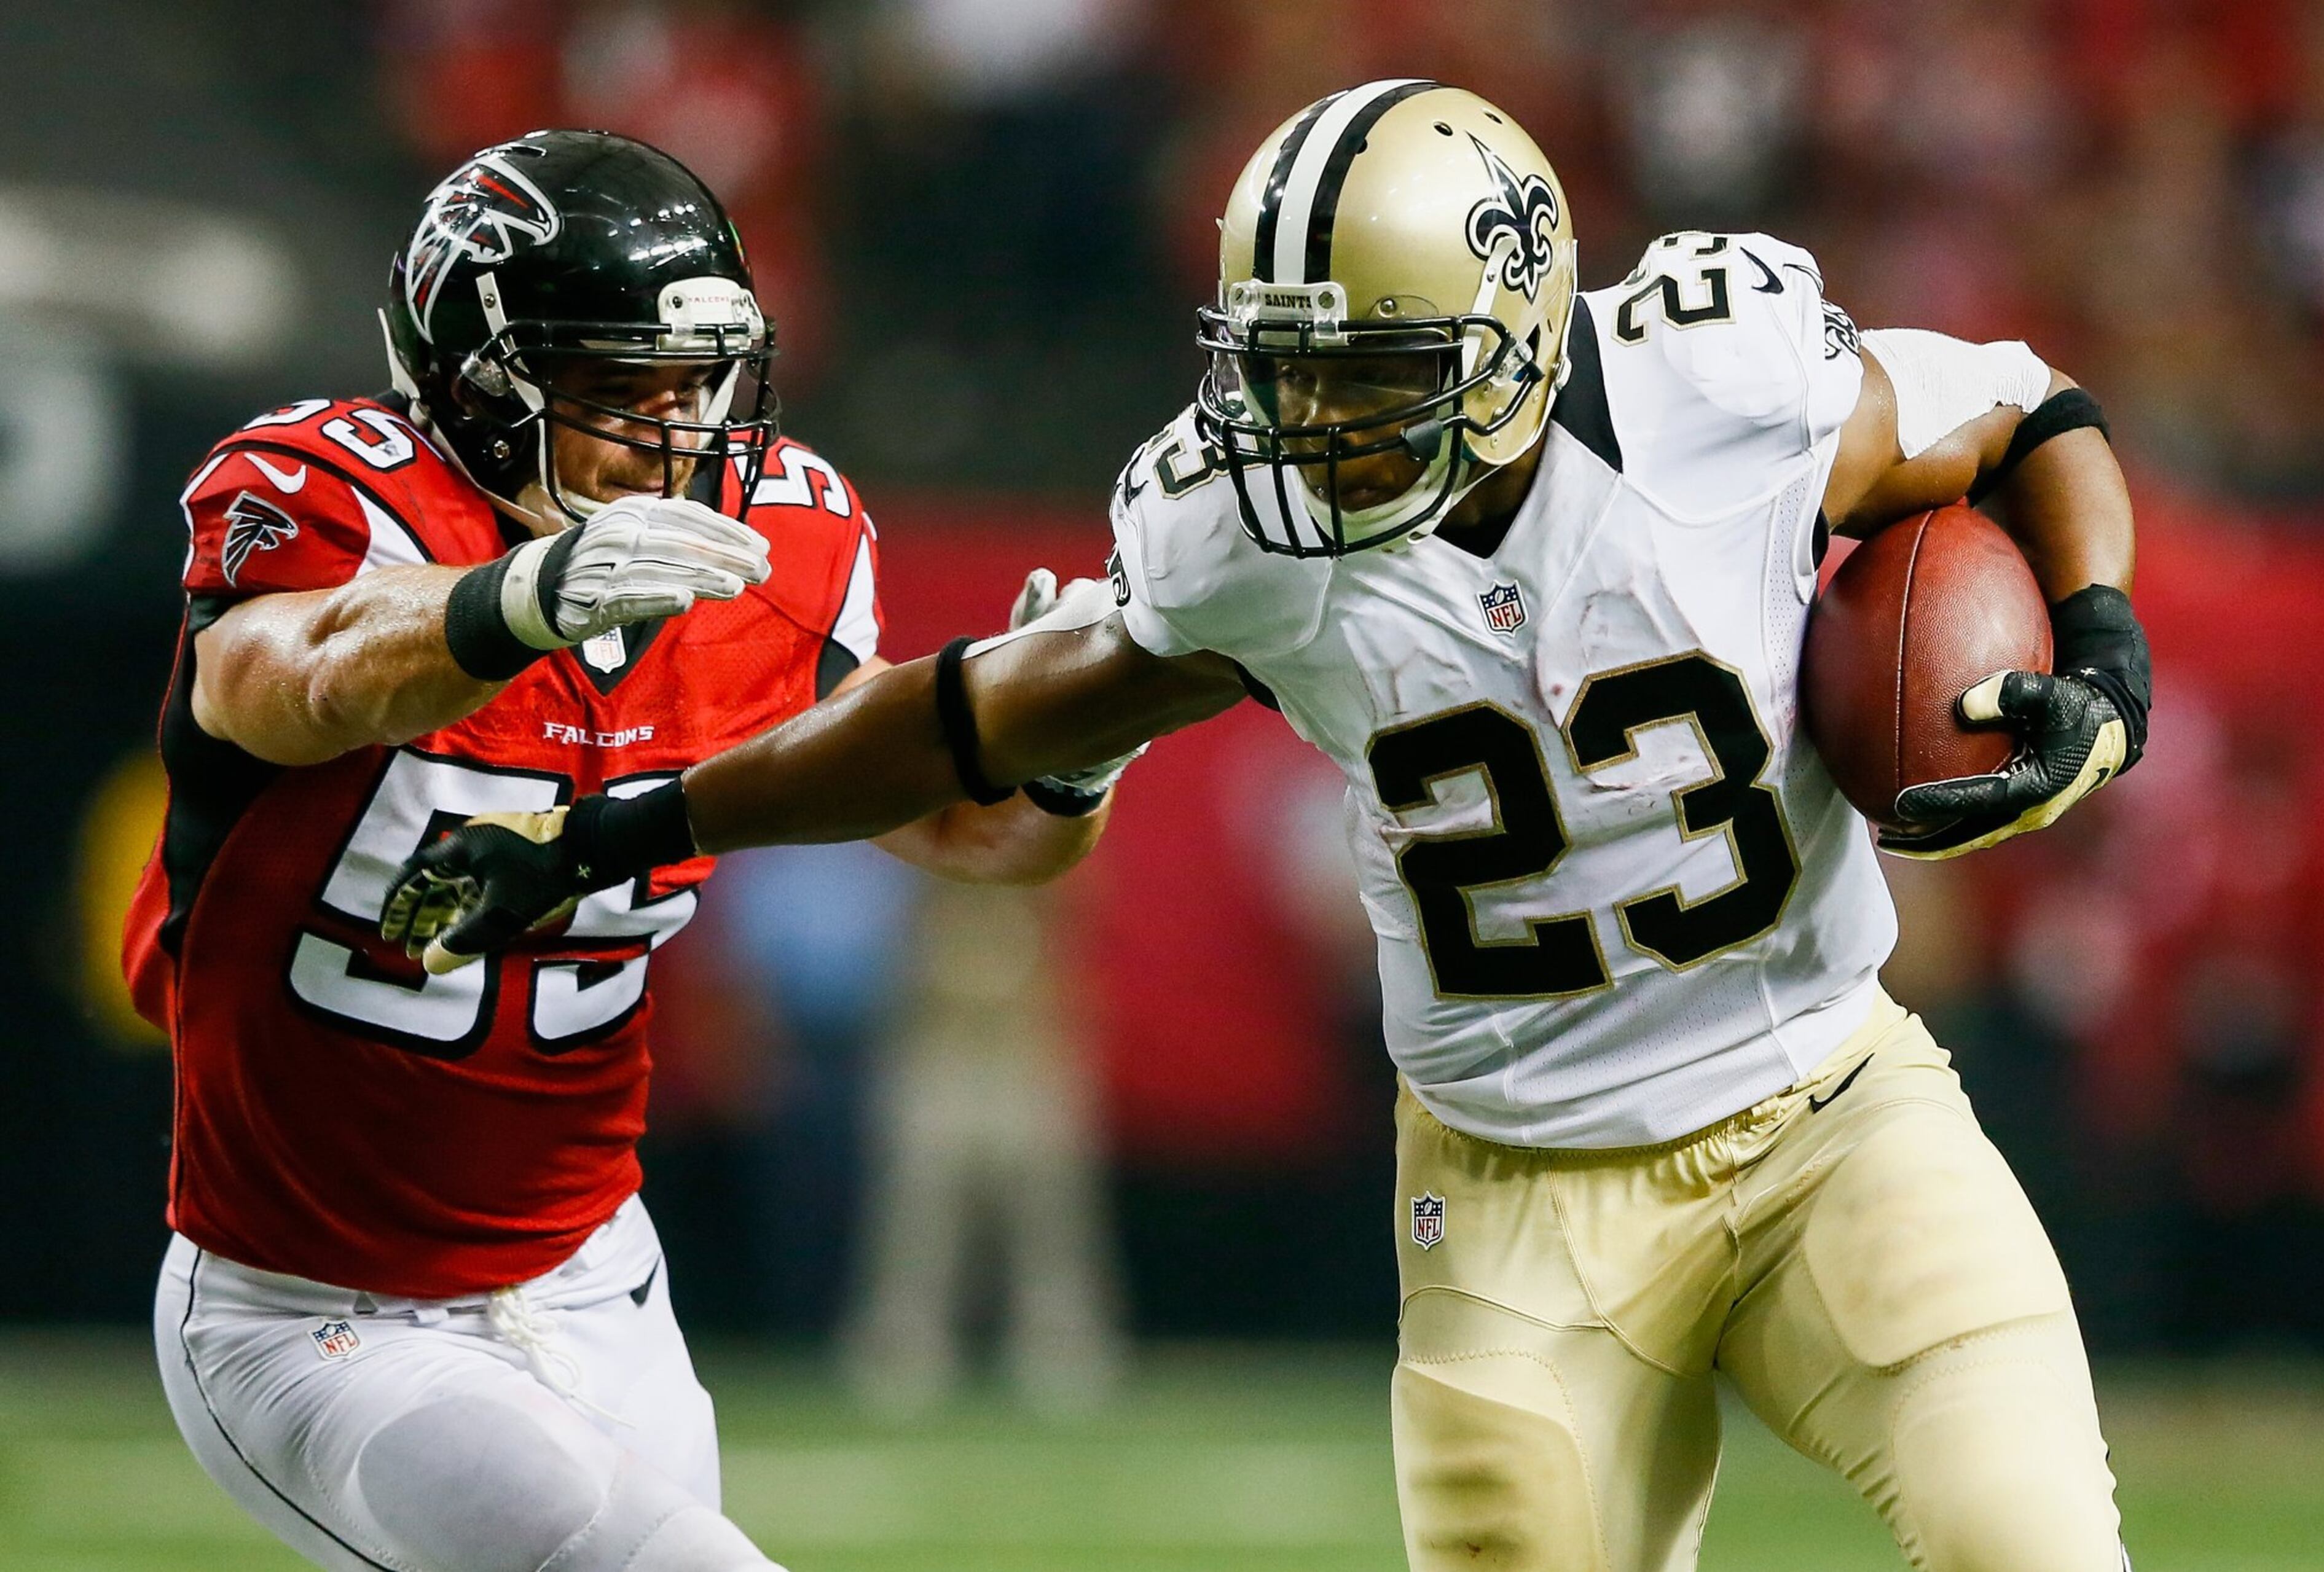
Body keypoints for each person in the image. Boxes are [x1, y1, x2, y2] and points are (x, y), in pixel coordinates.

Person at [388, 85, 2154, 1571]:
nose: (1308, 428)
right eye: (1284, 370)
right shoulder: (1241, 539)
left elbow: (2027, 412)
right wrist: (616, 829)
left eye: (1367, 370)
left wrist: (2101, 646)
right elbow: (953, 720)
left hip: (1833, 1111)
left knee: (2040, 1547)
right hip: (1519, 1199)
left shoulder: (1728, 386)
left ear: (1521, 332)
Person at [124, 129, 1125, 1572]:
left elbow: (975, 834)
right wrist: (517, 599)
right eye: (617, 385)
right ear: (478, 378)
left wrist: (1067, 755)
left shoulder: (776, 536)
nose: (674, 427)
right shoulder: (334, 489)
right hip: (314, 1308)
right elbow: (285, 682)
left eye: (697, 379)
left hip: (596, 1273)